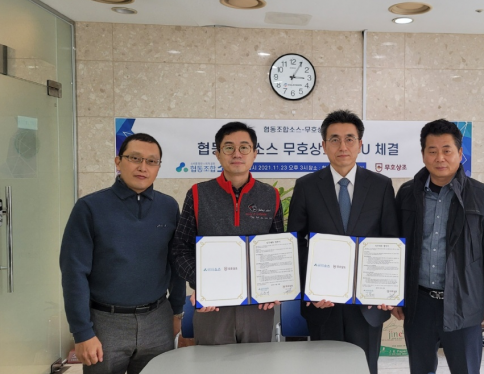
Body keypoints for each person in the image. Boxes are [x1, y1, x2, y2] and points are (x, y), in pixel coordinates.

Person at [60, 133, 186, 374]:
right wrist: (82, 332)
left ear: (158, 167)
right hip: (105, 323)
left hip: (158, 320)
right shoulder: (89, 208)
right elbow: (74, 273)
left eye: (152, 161)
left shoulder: (168, 206)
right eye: (135, 158)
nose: (143, 167)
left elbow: (176, 262)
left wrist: (176, 311)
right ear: (118, 162)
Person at [392, 119, 484, 374]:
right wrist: (395, 296)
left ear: (460, 153)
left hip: (465, 302)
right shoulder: (407, 194)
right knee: (420, 369)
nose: (440, 158)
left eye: (447, 150)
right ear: (423, 154)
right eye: (432, 151)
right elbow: (396, 247)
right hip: (419, 303)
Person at [287, 109, 399, 374]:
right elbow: (296, 241)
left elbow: (390, 240)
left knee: (365, 367)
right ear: (323, 145)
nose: (343, 146)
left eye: (349, 139)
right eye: (334, 139)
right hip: (322, 302)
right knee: (325, 368)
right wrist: (310, 289)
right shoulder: (307, 186)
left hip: (367, 304)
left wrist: (387, 291)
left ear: (360, 144)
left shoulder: (381, 185)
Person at [172, 121, 284, 345]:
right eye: (229, 147)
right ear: (217, 154)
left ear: (254, 153)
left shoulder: (270, 196)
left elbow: (278, 250)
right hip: (212, 306)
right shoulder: (198, 194)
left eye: (244, 147)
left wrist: (275, 287)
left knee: (258, 361)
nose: (237, 154)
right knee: (213, 362)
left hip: (257, 307)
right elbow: (180, 249)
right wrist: (202, 284)